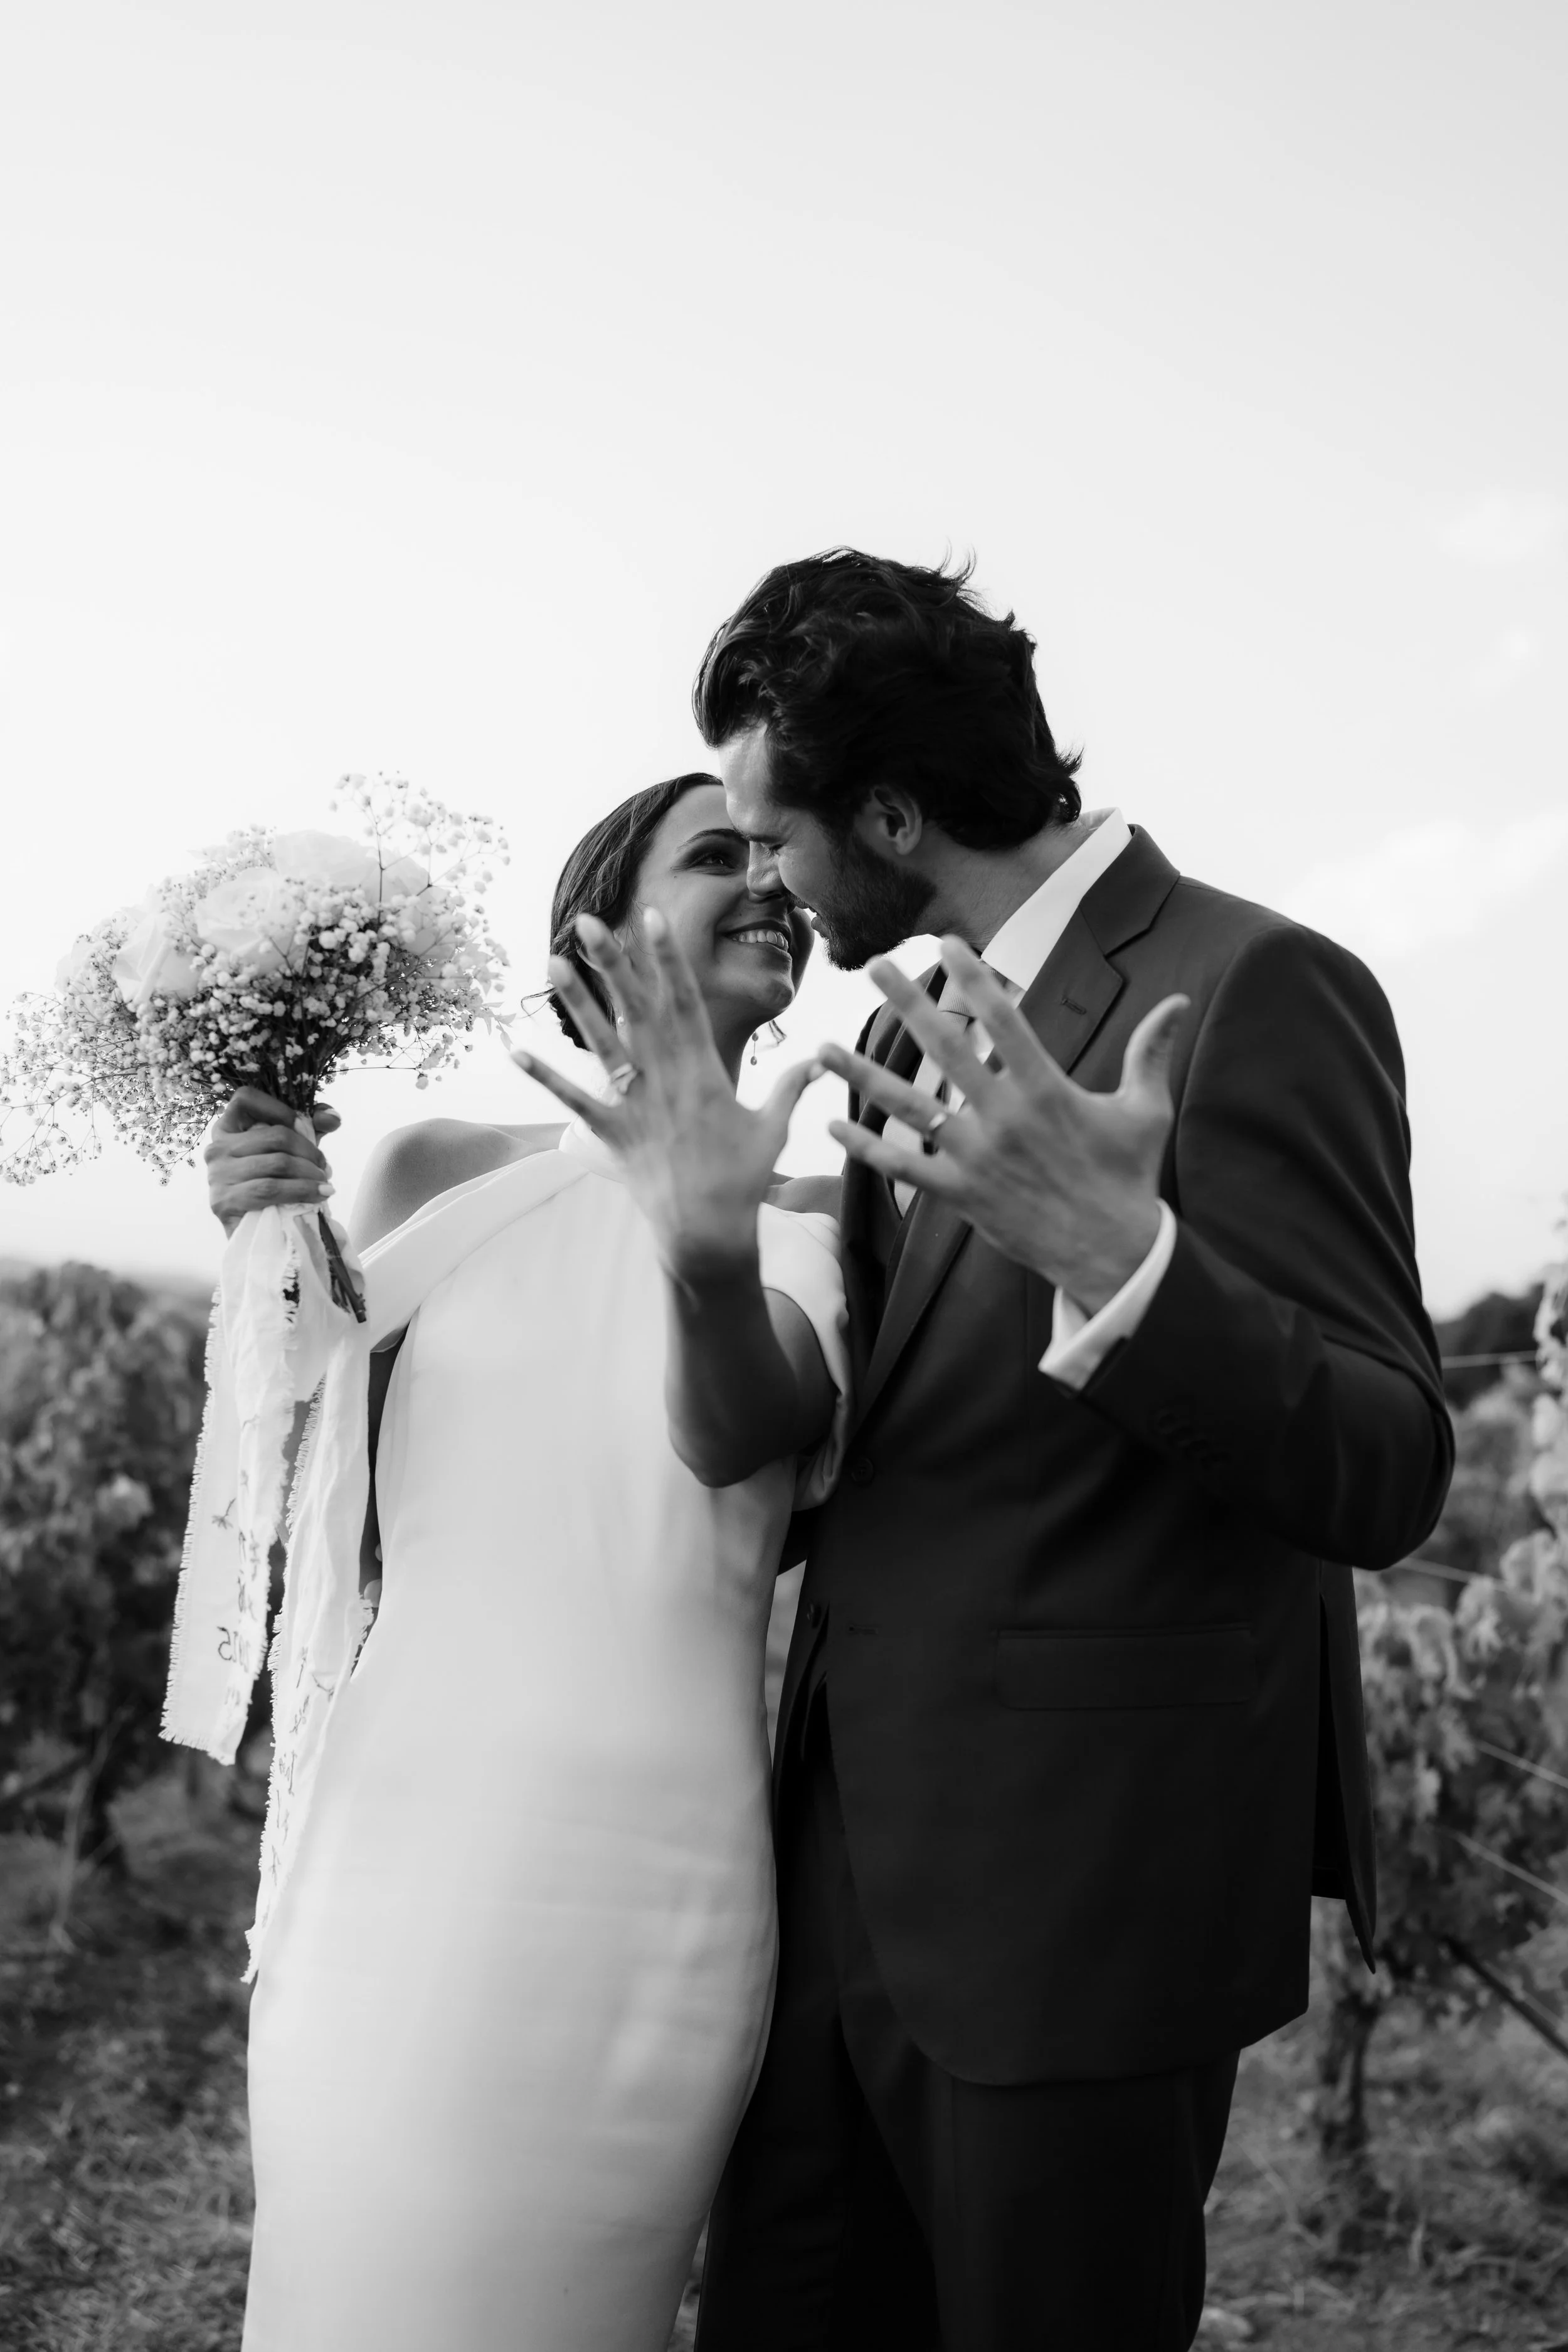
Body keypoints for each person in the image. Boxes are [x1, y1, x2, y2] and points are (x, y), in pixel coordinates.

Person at [675, 551, 1456, 2352]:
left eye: (774, 835)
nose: (771, 880)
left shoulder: (1257, 980)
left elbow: (1391, 1460)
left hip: (1081, 1906)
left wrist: (1128, 1262)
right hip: (837, 1861)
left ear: (888, 809)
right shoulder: (891, 1028)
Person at [203, 773, 848, 2352]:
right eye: (717, 858)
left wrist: (700, 1235)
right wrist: (261, 1230)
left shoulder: (831, 1215)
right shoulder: (435, 1169)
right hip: (399, 1845)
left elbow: (739, 1428)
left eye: (776, 858)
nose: (766, 880)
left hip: (649, 1894)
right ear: (598, 930)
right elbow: (285, 1456)